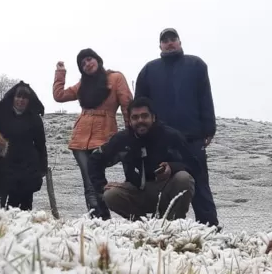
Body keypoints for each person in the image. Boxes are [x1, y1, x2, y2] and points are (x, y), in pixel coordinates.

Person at [134, 28, 219, 227]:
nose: (169, 43)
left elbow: (205, 97)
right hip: (160, 140)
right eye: (165, 40)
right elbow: (139, 104)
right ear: (160, 46)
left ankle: (210, 228)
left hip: (192, 137)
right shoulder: (148, 70)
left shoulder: (196, 65)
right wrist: (140, 130)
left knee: (200, 183)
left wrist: (209, 127)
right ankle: (161, 227)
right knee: (160, 181)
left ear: (180, 42)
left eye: (173, 39)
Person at [88, 96, 198, 222]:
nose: (140, 120)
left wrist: (172, 167)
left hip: (165, 189)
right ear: (129, 120)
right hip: (136, 191)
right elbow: (94, 160)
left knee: (184, 179)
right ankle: (141, 226)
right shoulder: (122, 140)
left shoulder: (171, 136)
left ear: (153, 117)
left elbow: (194, 165)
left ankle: (170, 224)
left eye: (144, 116)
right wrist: (102, 185)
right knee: (110, 195)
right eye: (135, 117)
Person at [53, 48, 133, 219]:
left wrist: (131, 133)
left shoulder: (115, 78)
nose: (87, 64)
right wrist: (60, 73)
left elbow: (127, 105)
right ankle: (98, 221)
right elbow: (59, 96)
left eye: (89, 59)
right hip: (80, 141)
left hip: (105, 137)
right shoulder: (82, 85)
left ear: (97, 59)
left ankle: (129, 214)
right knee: (89, 183)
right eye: (82, 64)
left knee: (99, 179)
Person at [0, 81, 48, 211]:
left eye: (24, 98)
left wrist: (42, 167)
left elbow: (40, 144)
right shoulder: (1, 115)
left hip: (27, 166)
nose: (21, 100)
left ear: (29, 100)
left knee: (24, 206)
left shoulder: (34, 118)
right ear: (13, 98)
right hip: (5, 163)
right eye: (18, 97)